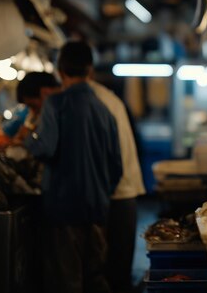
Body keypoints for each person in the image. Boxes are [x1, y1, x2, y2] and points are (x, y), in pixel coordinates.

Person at [24, 41, 122, 293]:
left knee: (66, 281)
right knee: (95, 277)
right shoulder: (105, 111)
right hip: (97, 210)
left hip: (63, 209)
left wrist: (28, 138)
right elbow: (116, 167)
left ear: (60, 69)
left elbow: (45, 148)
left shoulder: (55, 105)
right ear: (89, 69)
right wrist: (100, 193)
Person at [88, 80, 146, 293]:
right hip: (120, 191)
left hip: (115, 194)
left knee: (113, 269)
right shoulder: (108, 99)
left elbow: (113, 157)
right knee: (118, 267)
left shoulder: (97, 101)